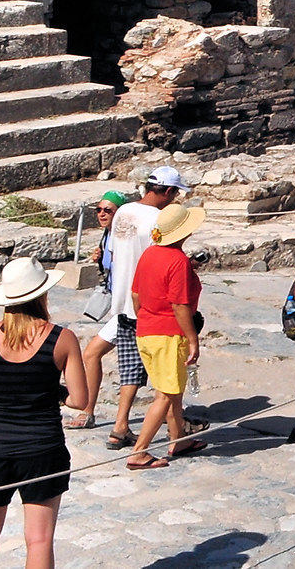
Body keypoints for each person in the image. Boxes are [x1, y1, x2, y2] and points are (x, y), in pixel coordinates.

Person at [0, 258, 89, 569]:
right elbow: (80, 400)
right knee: (38, 539)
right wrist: (54, 392)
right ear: (42, 295)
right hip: (43, 448)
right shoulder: (61, 338)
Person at [102, 167, 185, 450]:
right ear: (169, 192)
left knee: (130, 369)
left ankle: (120, 425)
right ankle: (167, 437)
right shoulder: (159, 220)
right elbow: (160, 259)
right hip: (150, 305)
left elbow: (113, 254)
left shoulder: (123, 211)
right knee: (167, 375)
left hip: (122, 300)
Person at [129, 203, 209, 466]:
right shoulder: (177, 261)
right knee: (165, 394)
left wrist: (146, 318)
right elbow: (179, 305)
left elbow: (136, 294)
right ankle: (139, 451)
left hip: (146, 331)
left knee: (173, 390)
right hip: (168, 335)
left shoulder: (149, 254)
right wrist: (193, 339)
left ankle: (179, 440)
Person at [70, 190, 129, 431]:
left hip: (129, 308)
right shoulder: (107, 236)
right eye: (99, 209)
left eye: (108, 210)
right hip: (119, 307)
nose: (102, 214)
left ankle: (91, 413)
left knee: (92, 354)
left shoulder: (125, 239)